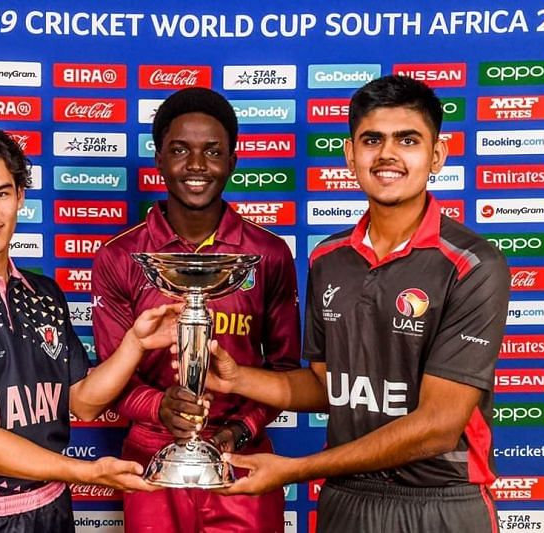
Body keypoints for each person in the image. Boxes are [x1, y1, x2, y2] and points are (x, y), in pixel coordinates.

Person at [205, 75, 510, 533]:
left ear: (437, 156)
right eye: (372, 140)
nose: (387, 154)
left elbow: (439, 425)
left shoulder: (472, 264)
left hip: (440, 502)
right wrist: (238, 378)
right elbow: (331, 388)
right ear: (351, 156)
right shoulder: (329, 259)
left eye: (407, 140)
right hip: (346, 500)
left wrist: (297, 469)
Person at [0, 122, 180, 533]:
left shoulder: (43, 293)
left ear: (20, 196)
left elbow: (82, 402)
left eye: (1, 193)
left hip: (53, 507)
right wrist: (85, 472)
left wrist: (135, 343)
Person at [90, 87, 301, 533]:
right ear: (160, 159)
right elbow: (110, 377)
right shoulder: (118, 256)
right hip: (150, 459)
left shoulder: (269, 254)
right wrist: (158, 407)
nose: (197, 166)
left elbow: (285, 371)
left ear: (233, 159)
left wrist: (240, 430)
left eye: (212, 151)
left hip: (241, 459)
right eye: (180, 151)